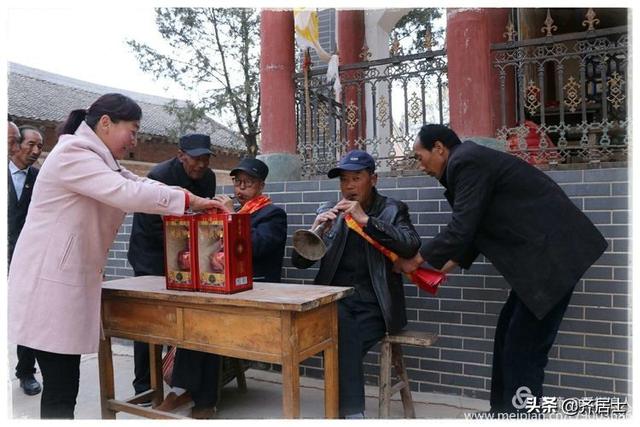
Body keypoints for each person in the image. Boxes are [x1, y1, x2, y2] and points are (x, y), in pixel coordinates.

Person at [7, 93, 220, 419]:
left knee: (65, 387)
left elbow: (135, 180)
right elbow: (128, 192)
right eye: (132, 130)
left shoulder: (98, 158)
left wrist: (191, 198)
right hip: (49, 286)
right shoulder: (73, 154)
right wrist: (191, 201)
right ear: (106, 123)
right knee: (61, 392)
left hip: (66, 281)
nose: (134, 140)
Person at [395, 124, 607, 414]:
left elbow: (462, 228)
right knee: (508, 337)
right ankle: (501, 413)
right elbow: (475, 228)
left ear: (440, 148)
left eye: (419, 157)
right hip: (541, 263)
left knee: (524, 351)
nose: (420, 166)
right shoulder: (467, 163)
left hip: (552, 259)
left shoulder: (465, 161)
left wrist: (416, 259)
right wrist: (443, 268)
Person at [291, 150, 421, 418]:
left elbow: (410, 246)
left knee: (340, 340)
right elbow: (300, 263)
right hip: (335, 300)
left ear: (372, 179)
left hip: (375, 303)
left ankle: (348, 414)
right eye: (344, 180)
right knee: (340, 322)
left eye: (355, 178)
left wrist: (366, 221)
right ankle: (351, 414)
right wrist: (318, 228)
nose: (348, 186)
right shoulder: (331, 211)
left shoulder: (392, 209)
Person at [160, 157, 288, 419]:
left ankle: (203, 399)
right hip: (225, 287)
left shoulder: (272, 214)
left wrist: (231, 217)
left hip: (257, 290)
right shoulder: (236, 212)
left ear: (261, 186)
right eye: (237, 183)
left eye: (247, 184)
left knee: (210, 325)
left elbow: (258, 247)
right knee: (194, 318)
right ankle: (187, 389)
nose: (240, 189)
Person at [127, 133, 217, 404]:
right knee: (148, 322)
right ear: (180, 155)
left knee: (181, 320)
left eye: (205, 159)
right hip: (151, 254)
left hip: (187, 254)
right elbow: (155, 224)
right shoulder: (159, 175)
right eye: (195, 159)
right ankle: (143, 385)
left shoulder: (209, 177)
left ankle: (176, 380)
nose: (200, 165)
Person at [8, 124, 44, 396]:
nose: (35, 150)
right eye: (30, 144)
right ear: (16, 144)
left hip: (27, 259)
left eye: (40, 146)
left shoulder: (40, 180)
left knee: (28, 316)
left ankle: (26, 372)